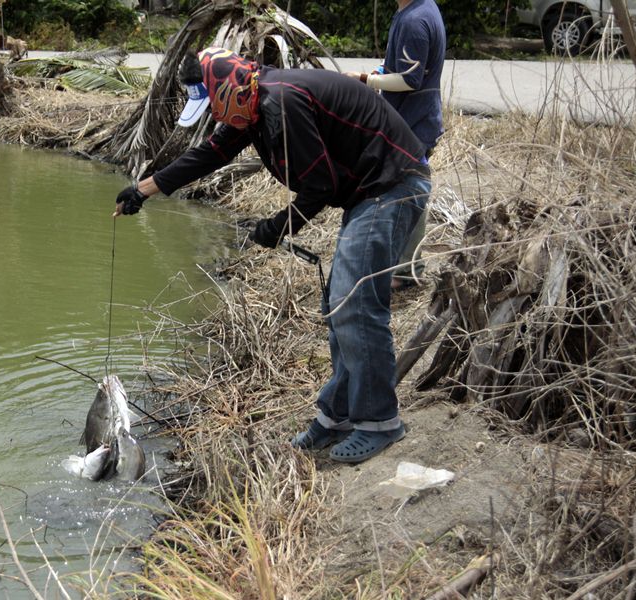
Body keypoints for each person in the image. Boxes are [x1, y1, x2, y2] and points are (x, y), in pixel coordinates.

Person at [113, 47, 431, 464]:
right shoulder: (253, 101)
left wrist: (277, 226)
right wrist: (144, 189)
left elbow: (318, 185)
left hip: (392, 186)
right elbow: (210, 153)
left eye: (213, 106)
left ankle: (379, 422)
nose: (216, 117)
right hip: (371, 190)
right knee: (339, 306)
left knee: (354, 305)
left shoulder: (282, 101)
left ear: (225, 89)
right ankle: (337, 416)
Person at [347, 0, 446, 291]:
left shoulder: (415, 20)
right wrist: (378, 72)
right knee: (412, 189)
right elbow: (403, 66)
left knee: (409, 191)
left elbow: (410, 79)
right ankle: (408, 266)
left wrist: (367, 80)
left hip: (414, 123)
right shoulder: (414, 10)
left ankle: (406, 270)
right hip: (412, 120)